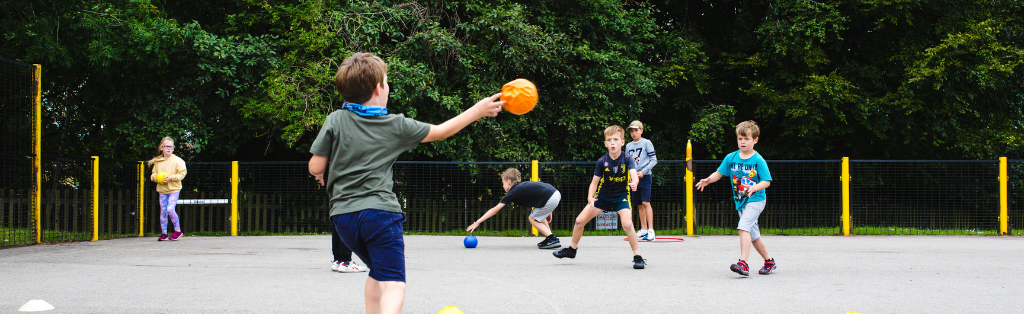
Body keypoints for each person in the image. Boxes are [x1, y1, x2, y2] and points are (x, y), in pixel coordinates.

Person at [307, 52, 504, 314]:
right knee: (393, 283)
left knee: (377, 273)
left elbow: (315, 166)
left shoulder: (336, 119)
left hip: (343, 219)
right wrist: (477, 111)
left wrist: (320, 174)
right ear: (379, 89)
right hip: (379, 214)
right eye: (387, 83)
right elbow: (442, 131)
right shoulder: (395, 125)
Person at [552, 125, 646, 269]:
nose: (612, 142)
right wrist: (590, 198)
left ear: (622, 142)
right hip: (602, 197)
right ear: (605, 143)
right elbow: (594, 182)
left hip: (621, 196)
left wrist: (634, 182)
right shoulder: (602, 161)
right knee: (579, 221)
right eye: (609, 140)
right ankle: (572, 250)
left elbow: (634, 175)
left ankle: (637, 256)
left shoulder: (627, 159)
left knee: (627, 224)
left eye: (616, 139)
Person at [694, 120, 776, 276]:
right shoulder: (731, 158)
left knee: (743, 227)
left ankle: (743, 263)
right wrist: (708, 180)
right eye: (740, 138)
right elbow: (719, 173)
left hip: (756, 199)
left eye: (746, 138)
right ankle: (769, 261)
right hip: (741, 201)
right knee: (753, 236)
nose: (743, 142)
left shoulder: (758, 160)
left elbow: (766, 181)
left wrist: (754, 187)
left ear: (755, 140)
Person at [465, 168, 562, 249]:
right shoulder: (522, 187)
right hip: (554, 194)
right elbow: (541, 193)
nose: (503, 186)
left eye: (503, 183)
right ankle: (550, 238)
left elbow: (494, 210)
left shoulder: (513, 191)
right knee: (536, 214)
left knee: (532, 218)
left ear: (508, 182)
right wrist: (549, 212)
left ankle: (552, 238)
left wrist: (477, 222)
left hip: (550, 197)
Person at [147, 137, 187, 241]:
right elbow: (153, 175)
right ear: (161, 148)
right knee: (163, 212)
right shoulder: (158, 162)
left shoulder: (178, 161)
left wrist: (170, 178)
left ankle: (178, 231)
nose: (169, 148)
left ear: (173, 148)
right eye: (166, 146)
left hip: (174, 189)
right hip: (162, 191)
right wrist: (156, 178)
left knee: (170, 209)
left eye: (171, 146)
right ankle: (164, 233)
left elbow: (182, 174)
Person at [625, 120, 658, 241]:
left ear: (641, 131)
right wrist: (629, 174)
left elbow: (654, 160)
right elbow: (627, 162)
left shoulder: (646, 143)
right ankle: (643, 229)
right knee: (639, 204)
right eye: (631, 131)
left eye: (636, 130)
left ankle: (651, 230)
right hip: (634, 178)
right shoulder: (628, 146)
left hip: (645, 177)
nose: (633, 133)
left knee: (646, 203)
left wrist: (643, 171)